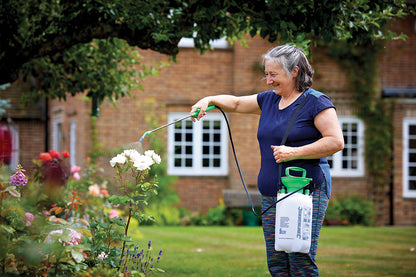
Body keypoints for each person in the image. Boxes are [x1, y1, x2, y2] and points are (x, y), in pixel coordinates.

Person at [190, 44, 344, 276]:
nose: (268, 80)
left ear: (294, 71)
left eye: (273, 74)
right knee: (277, 264)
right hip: (272, 193)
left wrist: (294, 152)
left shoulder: (316, 102)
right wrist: (208, 99)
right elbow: (237, 103)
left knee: (300, 262)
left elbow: (335, 141)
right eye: (267, 74)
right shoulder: (269, 100)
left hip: (305, 191)